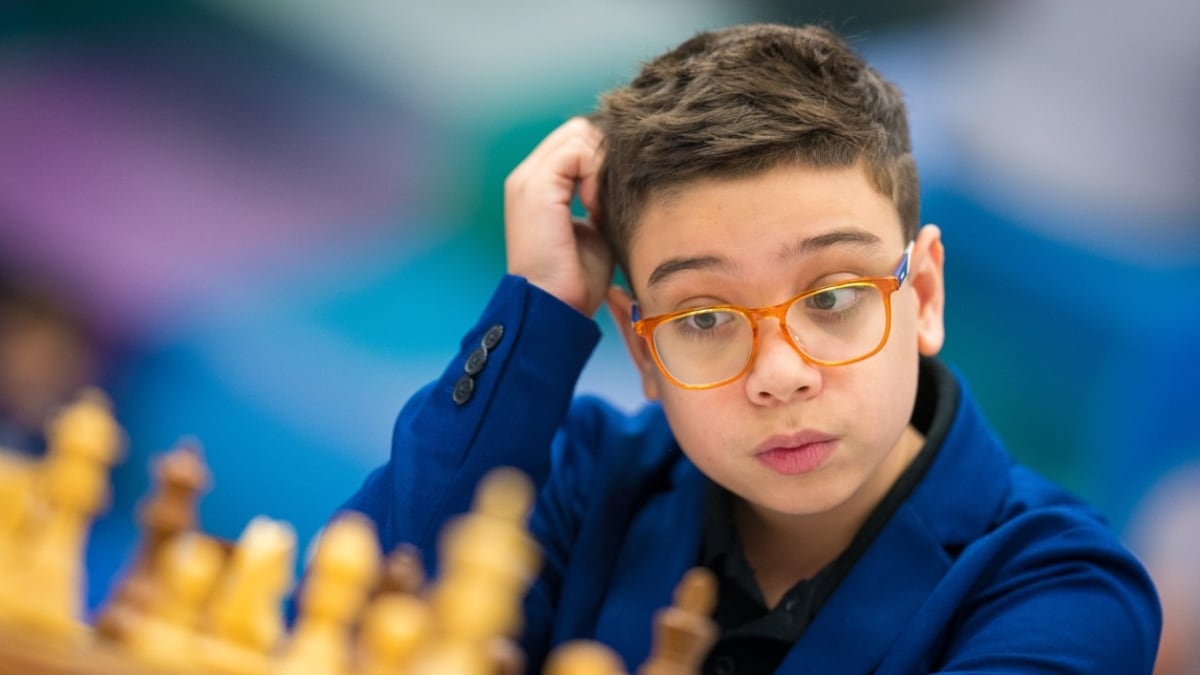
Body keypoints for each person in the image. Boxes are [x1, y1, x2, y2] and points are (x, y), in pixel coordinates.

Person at [341, 24, 1160, 673]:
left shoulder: (1061, 591)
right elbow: (350, 623)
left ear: (923, 296)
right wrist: (542, 310)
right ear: (643, 352)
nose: (780, 375)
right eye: (702, 318)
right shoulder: (584, 476)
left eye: (833, 298)